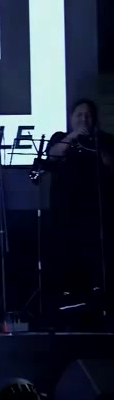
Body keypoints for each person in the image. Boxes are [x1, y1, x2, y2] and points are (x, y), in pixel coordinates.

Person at [44, 98, 114, 322]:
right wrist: (74, 135)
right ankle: (68, 307)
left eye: (88, 115)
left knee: (97, 261)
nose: (84, 119)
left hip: (97, 212)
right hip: (66, 212)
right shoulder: (61, 137)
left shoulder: (104, 140)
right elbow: (52, 156)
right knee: (67, 261)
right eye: (79, 115)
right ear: (71, 118)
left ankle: (100, 306)